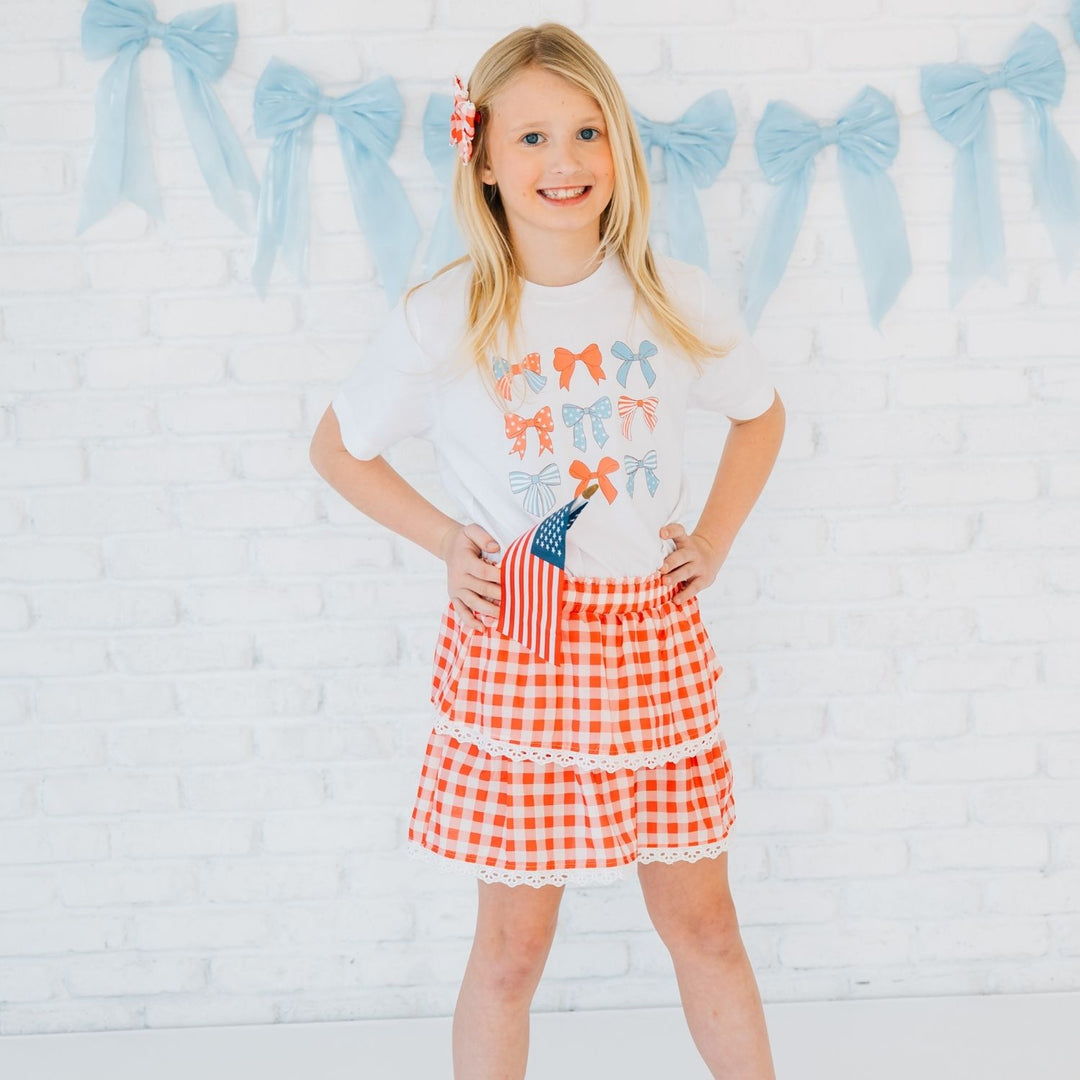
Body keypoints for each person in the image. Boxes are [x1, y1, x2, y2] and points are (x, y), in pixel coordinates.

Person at [309, 22, 784, 1080]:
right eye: (529, 138)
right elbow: (338, 449)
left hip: (651, 649)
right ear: (480, 157)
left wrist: (709, 537)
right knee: (515, 948)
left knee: (704, 925)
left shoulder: (674, 299)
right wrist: (446, 541)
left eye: (583, 132)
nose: (561, 162)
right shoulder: (448, 316)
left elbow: (760, 416)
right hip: (520, 648)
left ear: (617, 147)